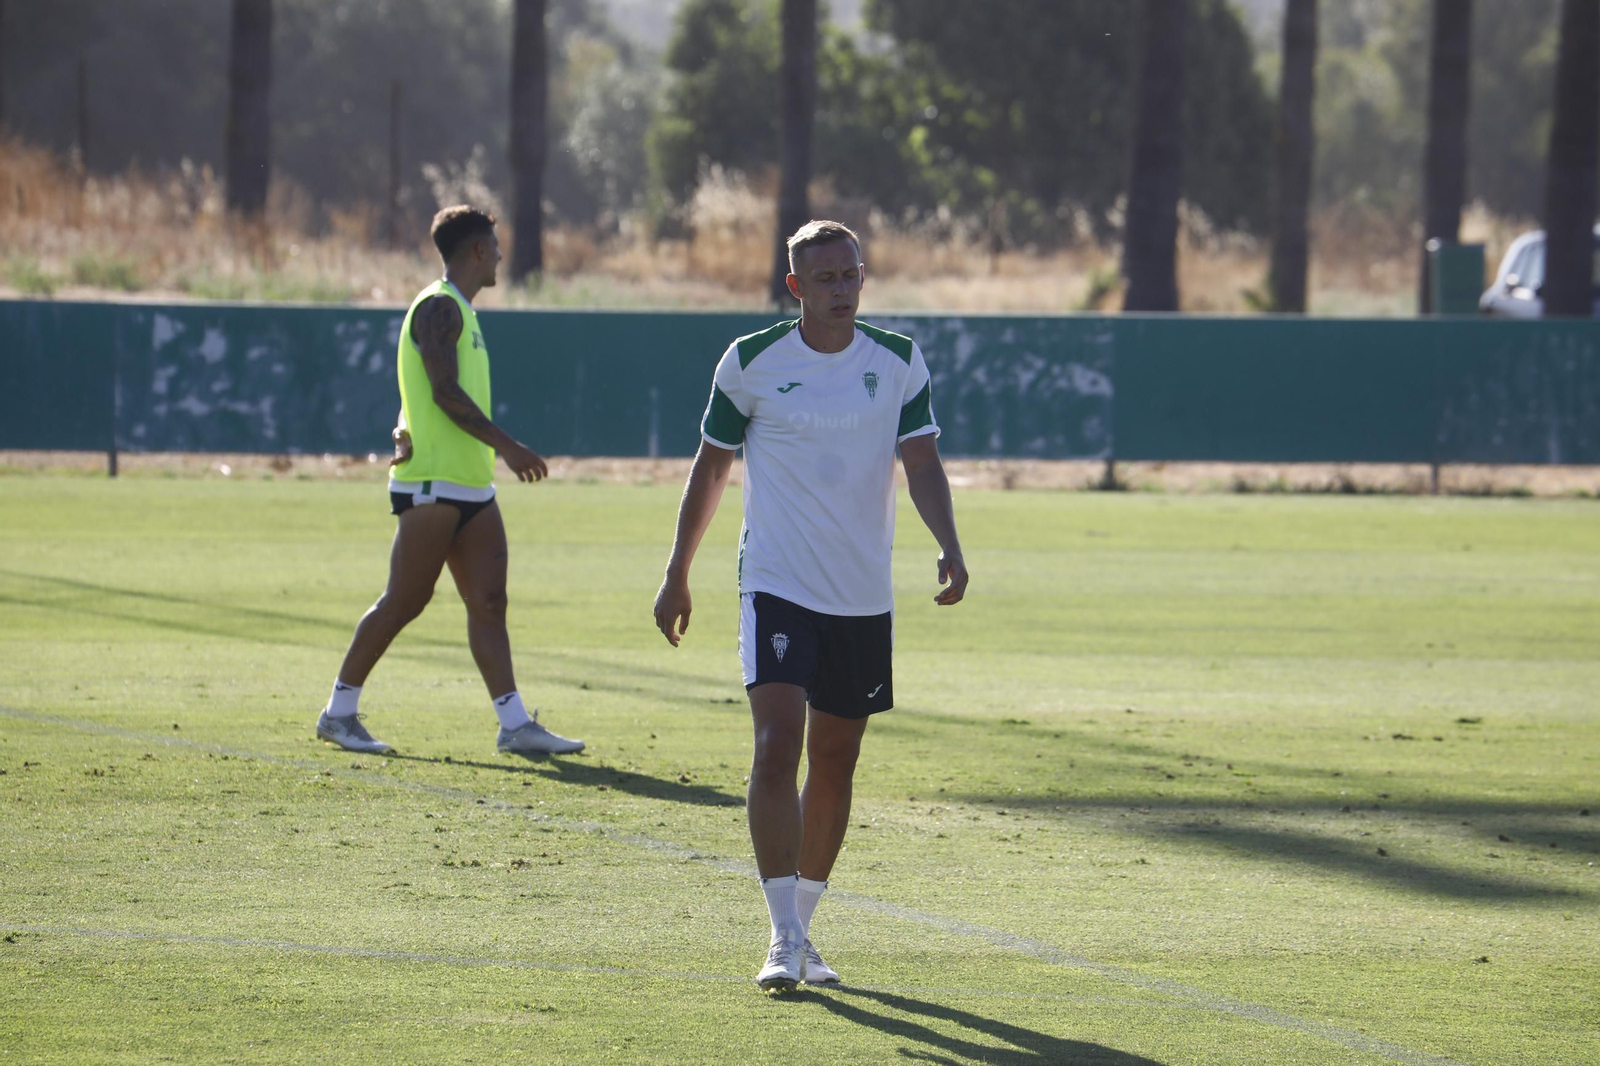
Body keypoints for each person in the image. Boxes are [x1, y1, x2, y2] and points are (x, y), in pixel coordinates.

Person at [652, 220, 968, 991]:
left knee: (836, 758)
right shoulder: (752, 362)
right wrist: (677, 571)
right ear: (796, 288)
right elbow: (711, 467)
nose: (839, 289)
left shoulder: (896, 362)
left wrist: (950, 543)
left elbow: (920, 459)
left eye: (849, 274)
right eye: (822, 278)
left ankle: (806, 925)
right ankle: (781, 935)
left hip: (861, 595)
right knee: (776, 744)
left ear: (864, 277)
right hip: (777, 582)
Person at [315, 204, 583, 757]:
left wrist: (404, 426)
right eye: (496, 245)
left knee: (488, 601)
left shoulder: (458, 308)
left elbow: (421, 392)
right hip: (433, 485)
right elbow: (442, 390)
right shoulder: (439, 307)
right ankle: (338, 713)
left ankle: (514, 725)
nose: (502, 256)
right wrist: (508, 445)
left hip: (470, 486)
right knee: (405, 601)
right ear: (479, 250)